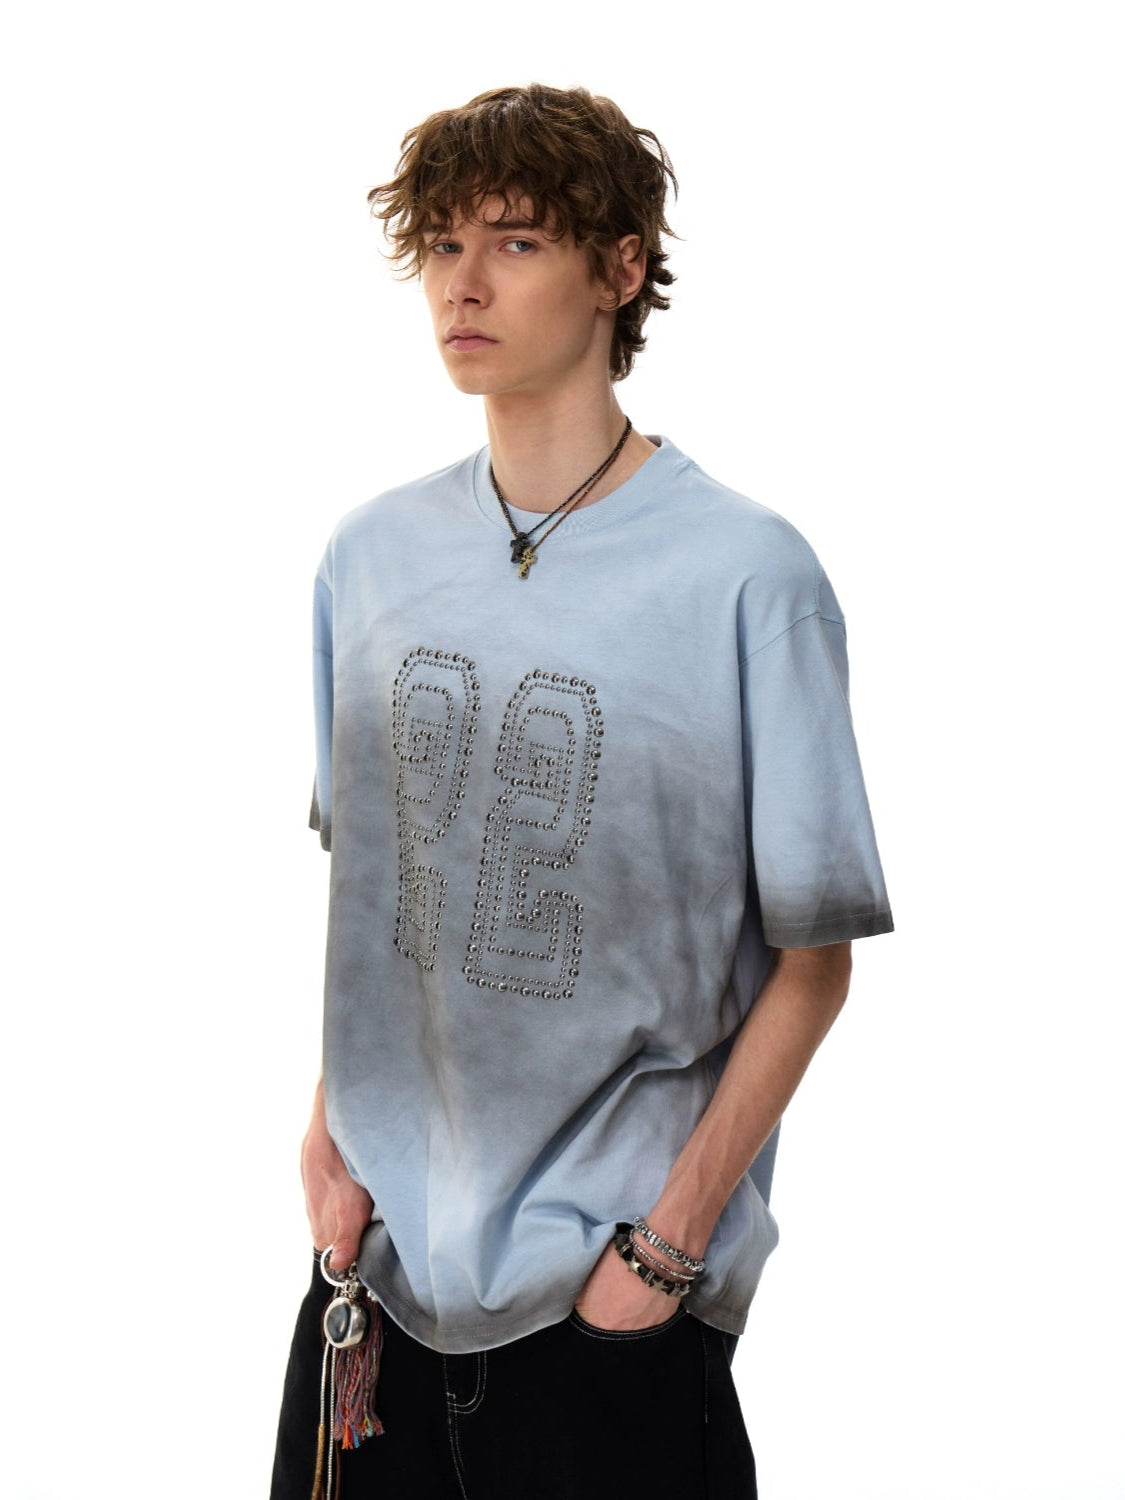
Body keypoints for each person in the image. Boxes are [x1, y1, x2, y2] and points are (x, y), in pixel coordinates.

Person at [271, 83, 893, 1500]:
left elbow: (813, 963)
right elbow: (387, 900)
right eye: (441, 246)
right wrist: (327, 1139)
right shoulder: (366, 558)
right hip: (369, 1284)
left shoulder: (748, 577)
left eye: (515, 242)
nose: (464, 284)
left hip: (609, 1305)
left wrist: (666, 1248)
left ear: (620, 269)